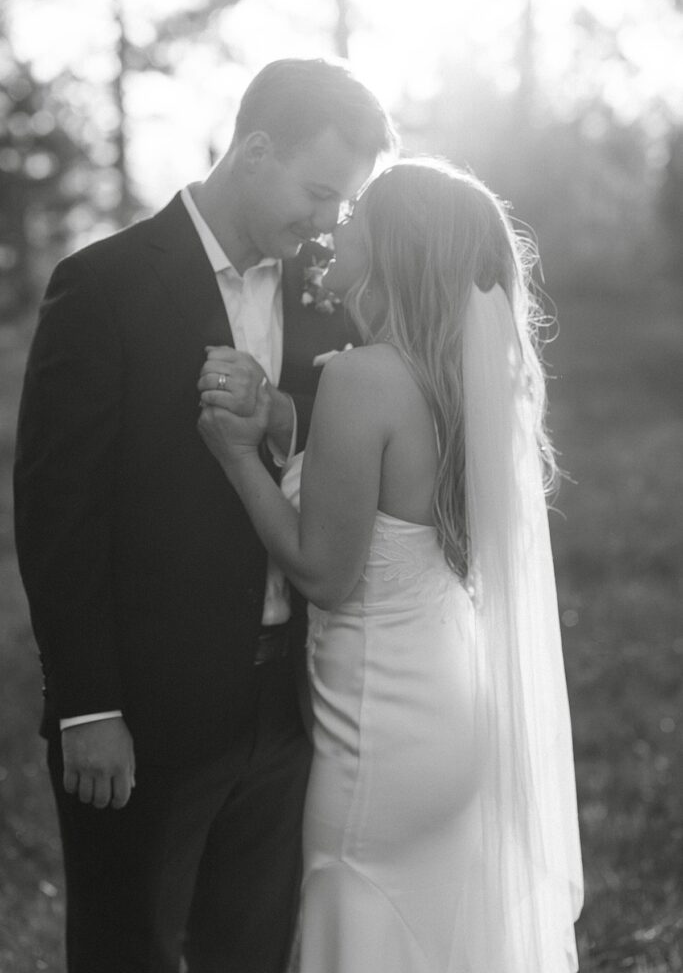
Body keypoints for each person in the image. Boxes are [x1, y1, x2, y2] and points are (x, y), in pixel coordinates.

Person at [13, 57, 396, 973]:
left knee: (252, 952)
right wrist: (89, 708)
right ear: (255, 150)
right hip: (148, 709)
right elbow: (59, 516)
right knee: (127, 950)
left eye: (341, 204)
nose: (325, 221)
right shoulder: (102, 284)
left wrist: (281, 414)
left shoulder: (324, 299)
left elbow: (352, 441)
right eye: (317, 192)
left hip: (288, 705)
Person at [197, 158, 584, 973]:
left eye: (357, 216)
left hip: (378, 726)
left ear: (391, 248)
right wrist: (282, 420)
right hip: (449, 707)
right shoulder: (461, 379)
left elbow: (324, 573)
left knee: (356, 910)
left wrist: (235, 455)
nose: (338, 227)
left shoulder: (363, 376)